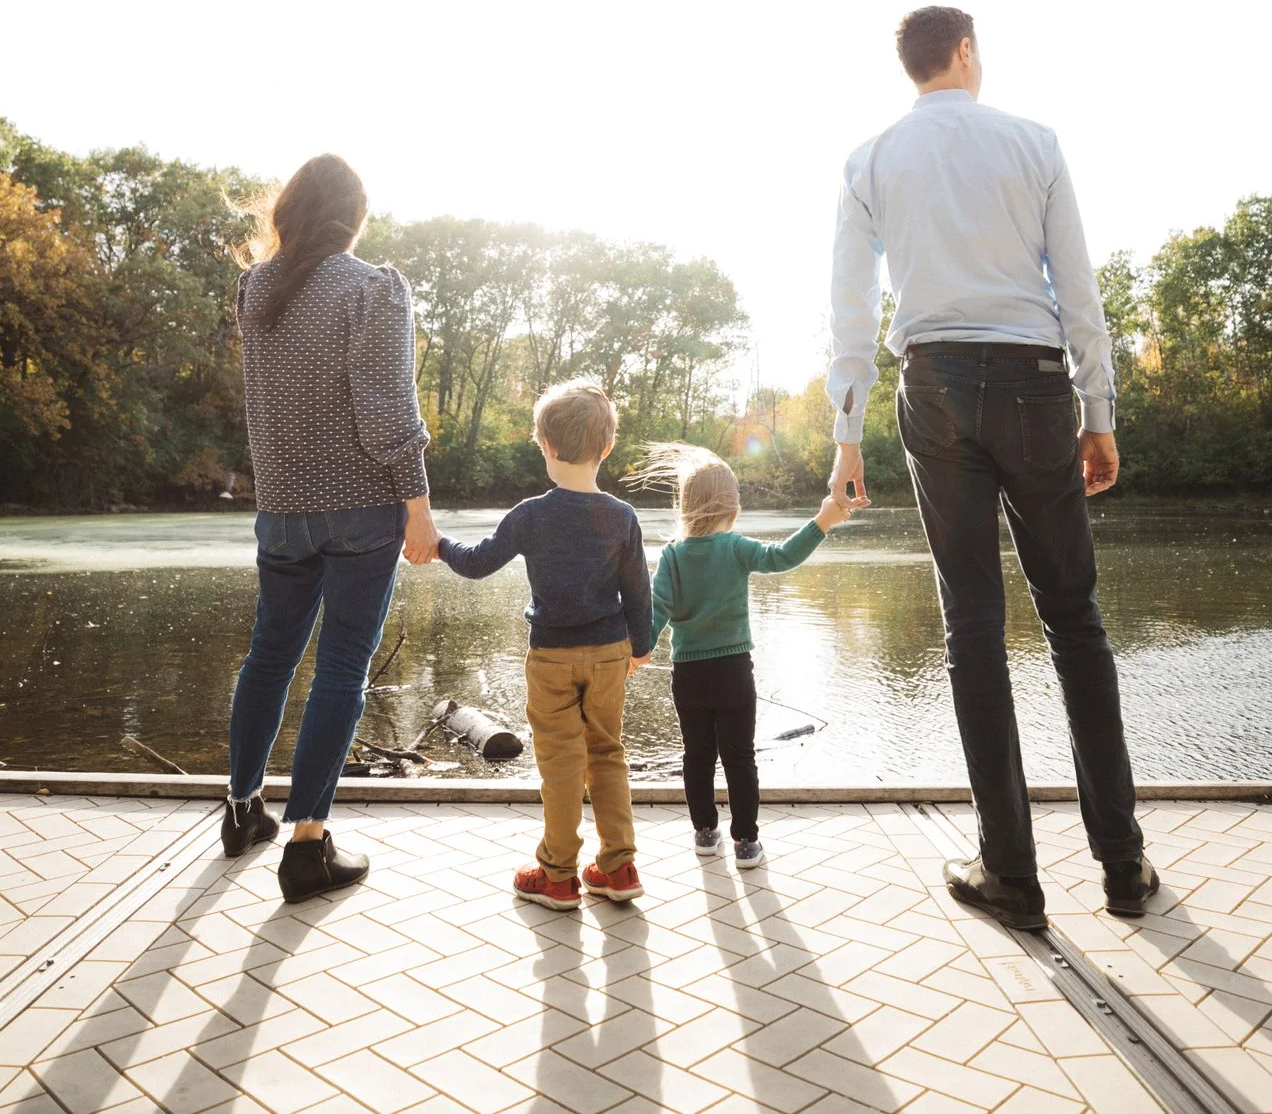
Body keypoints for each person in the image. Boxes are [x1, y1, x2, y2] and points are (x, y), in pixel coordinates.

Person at [826, 7, 1160, 927]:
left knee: (973, 622)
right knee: (1074, 618)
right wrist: (1100, 412)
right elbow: (1078, 289)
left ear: (910, 67)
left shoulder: (870, 159)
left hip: (932, 383)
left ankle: (1009, 872)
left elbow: (850, 306)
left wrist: (847, 436)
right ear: (965, 52)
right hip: (1036, 381)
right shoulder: (1034, 142)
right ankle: (1123, 865)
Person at [225, 154, 442, 903]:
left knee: (268, 657)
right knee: (342, 668)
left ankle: (242, 810)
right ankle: (307, 845)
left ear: (290, 212)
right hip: (360, 509)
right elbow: (387, 412)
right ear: (353, 216)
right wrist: (417, 507)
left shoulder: (257, 288)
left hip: (281, 508)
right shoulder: (372, 287)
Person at [422, 379, 653, 910]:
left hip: (551, 656)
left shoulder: (531, 514)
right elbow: (638, 589)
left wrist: (439, 545)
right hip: (610, 652)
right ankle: (618, 868)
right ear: (607, 447)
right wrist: (639, 647)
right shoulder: (622, 516)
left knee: (560, 762)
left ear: (546, 446)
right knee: (607, 754)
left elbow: (478, 563)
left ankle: (557, 875)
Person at [637, 444, 852, 869]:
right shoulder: (736, 547)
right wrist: (822, 521)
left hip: (689, 675)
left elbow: (656, 611)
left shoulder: (673, 556)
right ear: (732, 506)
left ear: (686, 505)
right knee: (739, 757)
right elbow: (782, 557)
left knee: (696, 755)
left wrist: (638, 651)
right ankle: (746, 842)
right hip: (734, 672)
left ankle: (703, 833)